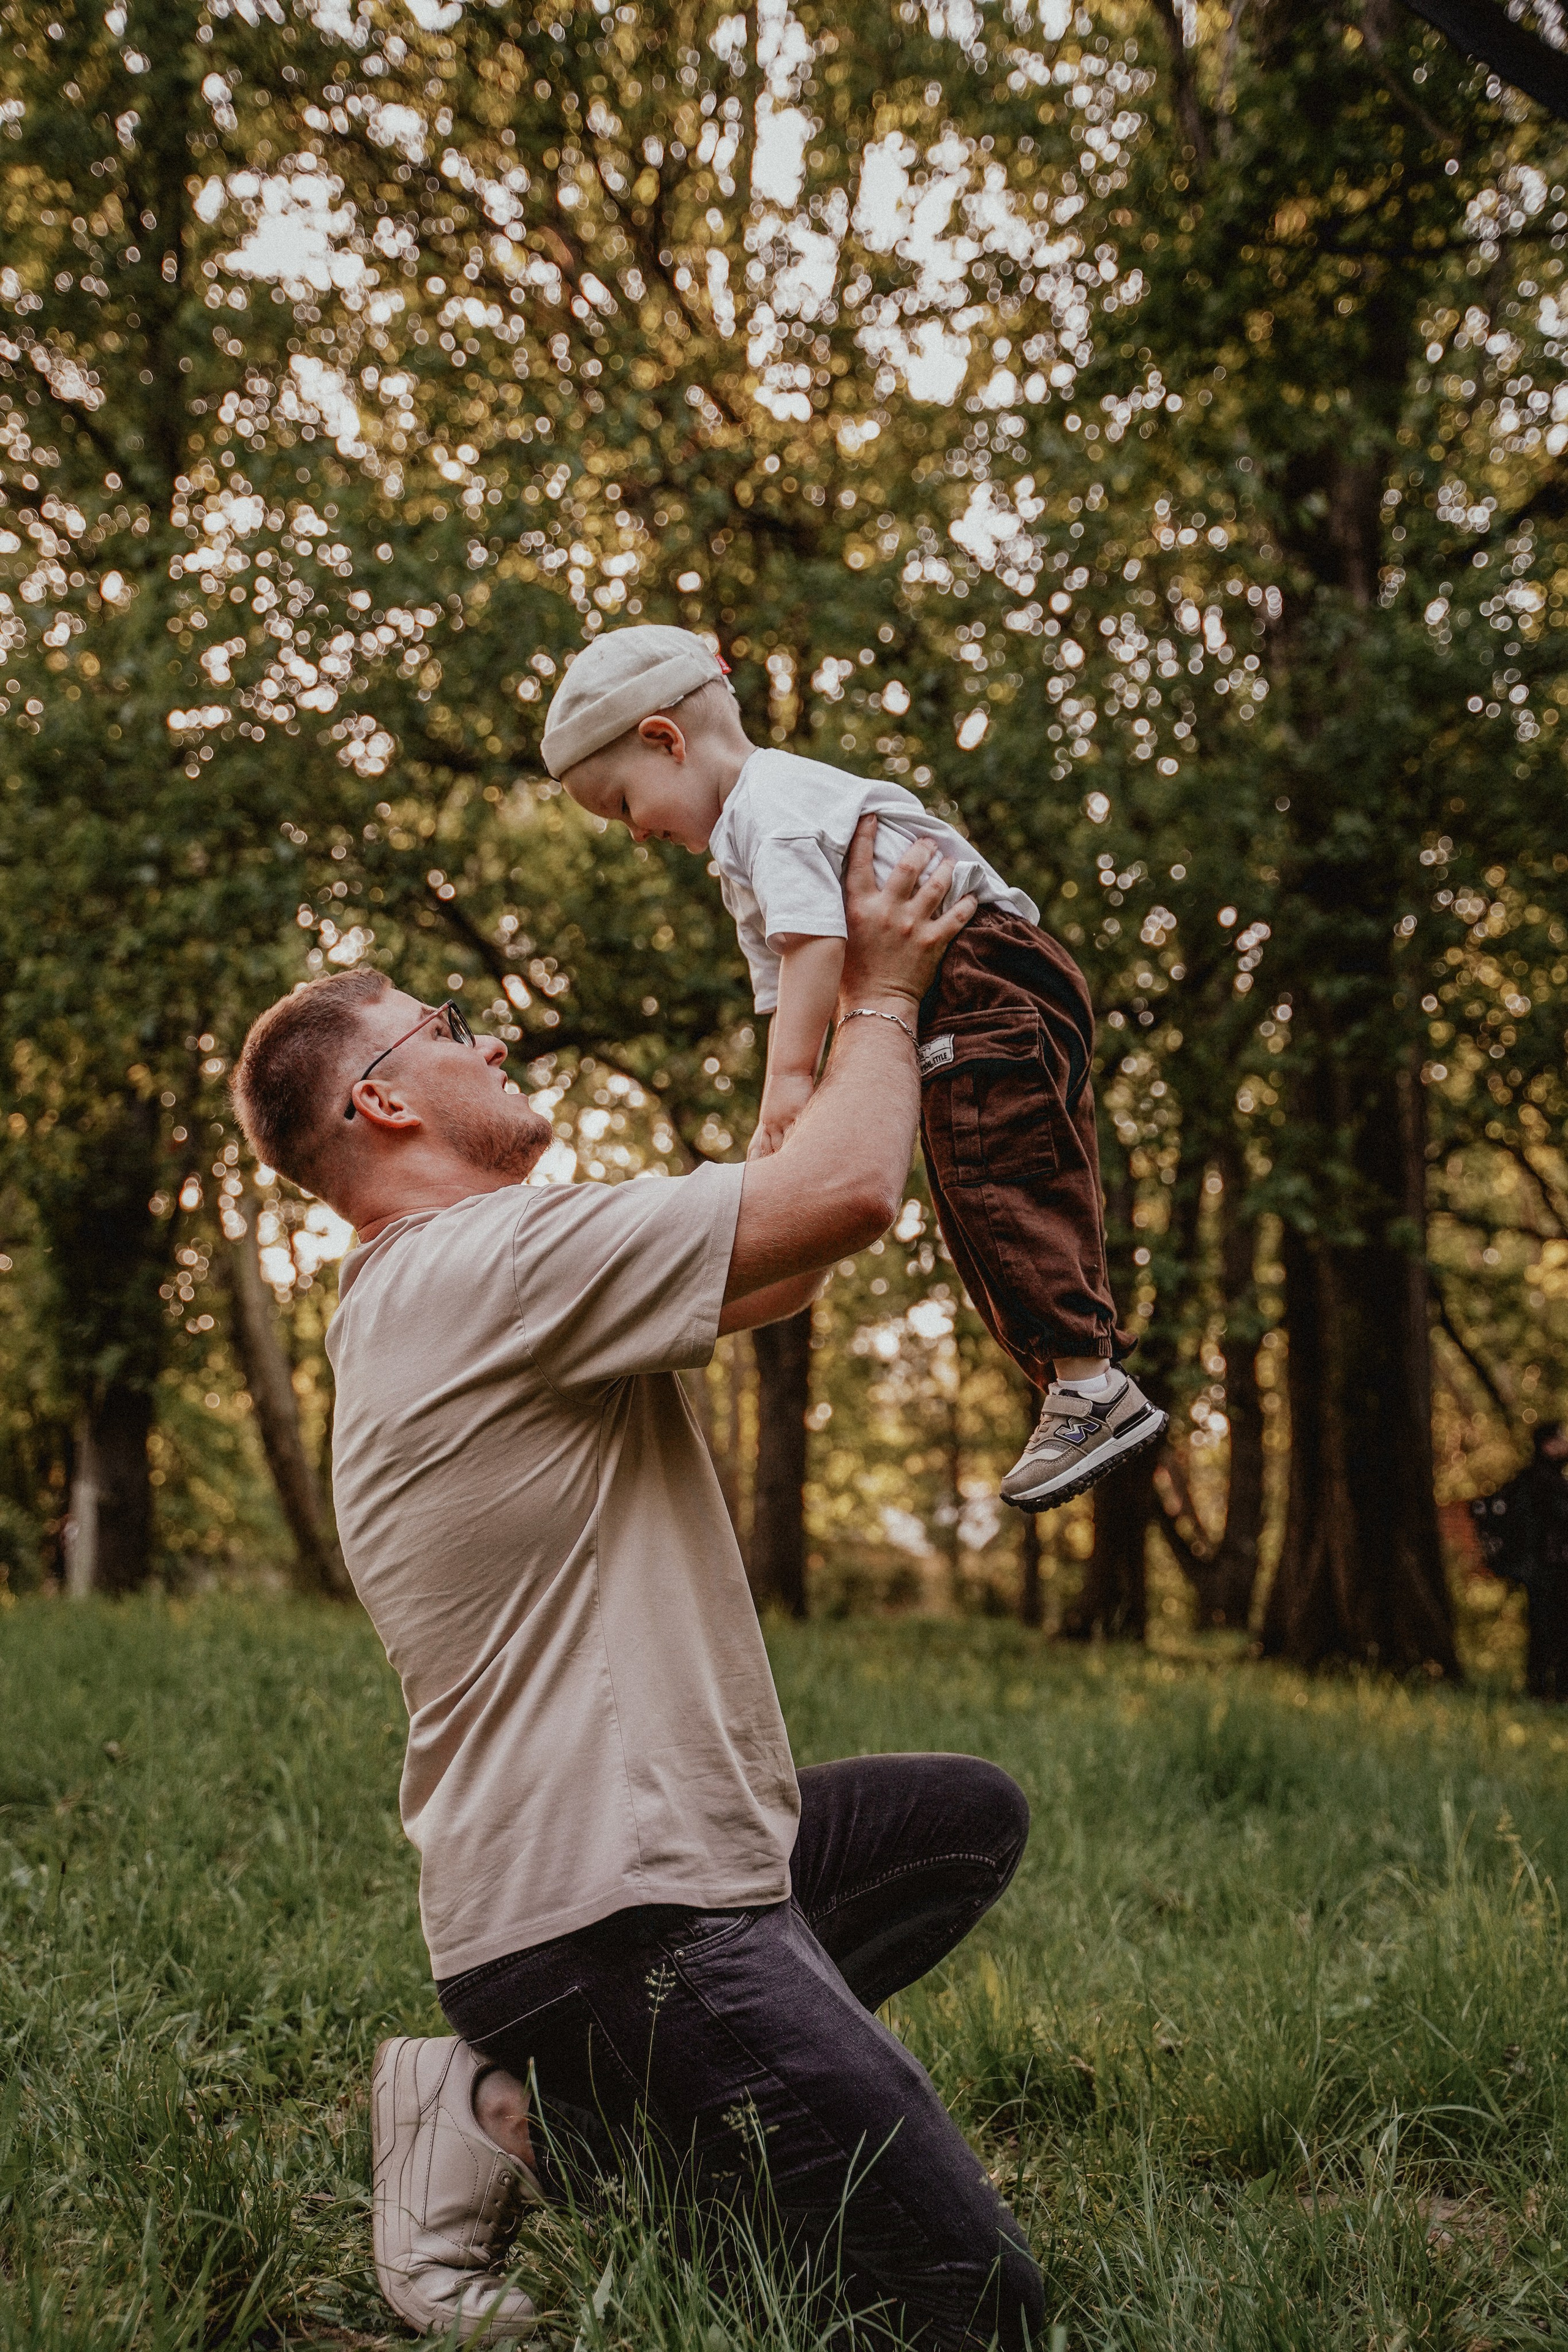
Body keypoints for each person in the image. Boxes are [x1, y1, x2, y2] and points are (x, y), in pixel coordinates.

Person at [232, 824, 1045, 2351]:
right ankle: (579, 2098)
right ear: (385, 1099)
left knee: (955, 1817)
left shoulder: (484, 1275)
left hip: (664, 1878)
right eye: (448, 1024)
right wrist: (884, 987)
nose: (488, 1036)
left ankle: (527, 2109)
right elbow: (848, 1199)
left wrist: (810, 983)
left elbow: (787, 1245)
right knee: (972, 2308)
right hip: (621, 1919)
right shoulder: (479, 1264)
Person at [544, 622, 1166, 1511]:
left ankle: (1088, 1382)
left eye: (623, 808)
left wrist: (792, 1086)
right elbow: (793, 991)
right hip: (977, 988)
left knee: (997, 1175)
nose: (637, 836)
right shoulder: (745, 850)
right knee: (978, 1184)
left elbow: (816, 950)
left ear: (664, 741)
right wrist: (802, 1101)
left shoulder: (774, 808)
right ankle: (1073, 1379)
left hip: (984, 971)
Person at [1471, 1423, 1568, 1700]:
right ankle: (1550, 1689)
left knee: (1548, 1630)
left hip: (1543, 1571)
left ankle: (1546, 1688)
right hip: (1549, 1572)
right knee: (1552, 1630)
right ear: (1548, 1444)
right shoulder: (1542, 1484)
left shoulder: (1531, 1481)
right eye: (1562, 1438)